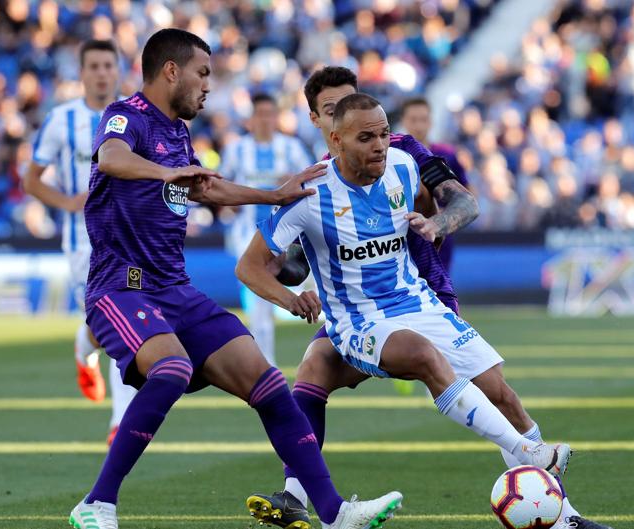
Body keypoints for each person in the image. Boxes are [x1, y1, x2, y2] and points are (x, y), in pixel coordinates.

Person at [70, 29, 401, 529]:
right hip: (123, 285)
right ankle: (97, 504)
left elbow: (208, 188)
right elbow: (111, 158)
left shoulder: (178, 133)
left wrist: (275, 196)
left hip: (174, 288)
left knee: (269, 383)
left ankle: (335, 513)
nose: (209, 86)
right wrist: (164, 174)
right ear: (171, 71)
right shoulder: (127, 116)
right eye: (203, 74)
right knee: (172, 369)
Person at [238, 92, 600, 529]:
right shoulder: (309, 194)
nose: (379, 145)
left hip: (419, 303)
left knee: (500, 393)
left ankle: (564, 518)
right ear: (335, 140)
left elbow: (449, 206)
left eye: (385, 134)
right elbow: (250, 266)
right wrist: (290, 297)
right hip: (358, 322)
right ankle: (528, 453)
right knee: (412, 356)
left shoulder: (405, 168)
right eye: (366, 137)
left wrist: (434, 225)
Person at [23, 39, 136, 445]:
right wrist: (67, 201)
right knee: (104, 323)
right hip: (82, 244)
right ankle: (83, 348)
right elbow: (31, 180)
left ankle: (120, 423)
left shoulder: (137, 115)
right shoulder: (62, 120)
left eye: (109, 64)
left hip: (129, 242)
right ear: (82, 72)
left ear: (118, 69)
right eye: (95, 66)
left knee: (126, 325)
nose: (102, 72)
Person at [220, 93, 313, 365]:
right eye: (259, 114)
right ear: (251, 119)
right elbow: (221, 190)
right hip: (247, 236)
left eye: (269, 114)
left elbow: (313, 182)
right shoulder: (236, 150)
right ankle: (266, 365)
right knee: (259, 301)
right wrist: (232, 204)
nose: (264, 120)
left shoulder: (292, 148)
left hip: (289, 239)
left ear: (276, 117)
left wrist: (295, 181)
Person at [400, 97, 471, 274]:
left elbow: (466, 194)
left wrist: (442, 215)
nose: (418, 125)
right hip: (402, 232)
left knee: (439, 285)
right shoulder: (393, 157)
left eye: (423, 119)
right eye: (413, 119)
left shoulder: (446, 155)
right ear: (404, 121)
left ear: (431, 122)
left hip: (439, 233)